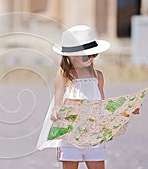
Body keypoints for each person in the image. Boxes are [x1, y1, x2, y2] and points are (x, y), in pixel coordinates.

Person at [37, 25, 111, 169]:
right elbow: (57, 105)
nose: (91, 58)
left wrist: (123, 111)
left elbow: (103, 104)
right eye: (86, 55)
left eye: (94, 54)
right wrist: (57, 112)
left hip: (94, 133)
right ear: (71, 56)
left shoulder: (98, 76)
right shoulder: (64, 75)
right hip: (70, 135)